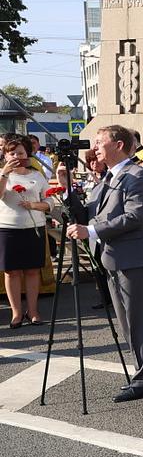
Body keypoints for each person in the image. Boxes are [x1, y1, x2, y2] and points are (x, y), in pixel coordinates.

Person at [66, 126, 143, 401]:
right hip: (113, 257)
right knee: (129, 320)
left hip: (135, 258)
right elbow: (89, 213)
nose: (95, 146)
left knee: (138, 320)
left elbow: (135, 216)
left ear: (119, 144)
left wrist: (92, 232)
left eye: (100, 142)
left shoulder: (138, 175)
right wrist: (65, 190)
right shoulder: (106, 178)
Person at [1, 135, 48, 327]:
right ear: (5, 155)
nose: (16, 156)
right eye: (12, 153)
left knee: (32, 271)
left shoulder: (36, 175)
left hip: (33, 227)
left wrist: (35, 205)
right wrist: (4, 174)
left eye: (20, 153)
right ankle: (16, 313)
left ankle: (33, 311)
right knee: (12, 272)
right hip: (8, 228)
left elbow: (49, 201)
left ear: (27, 154)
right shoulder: (2, 174)